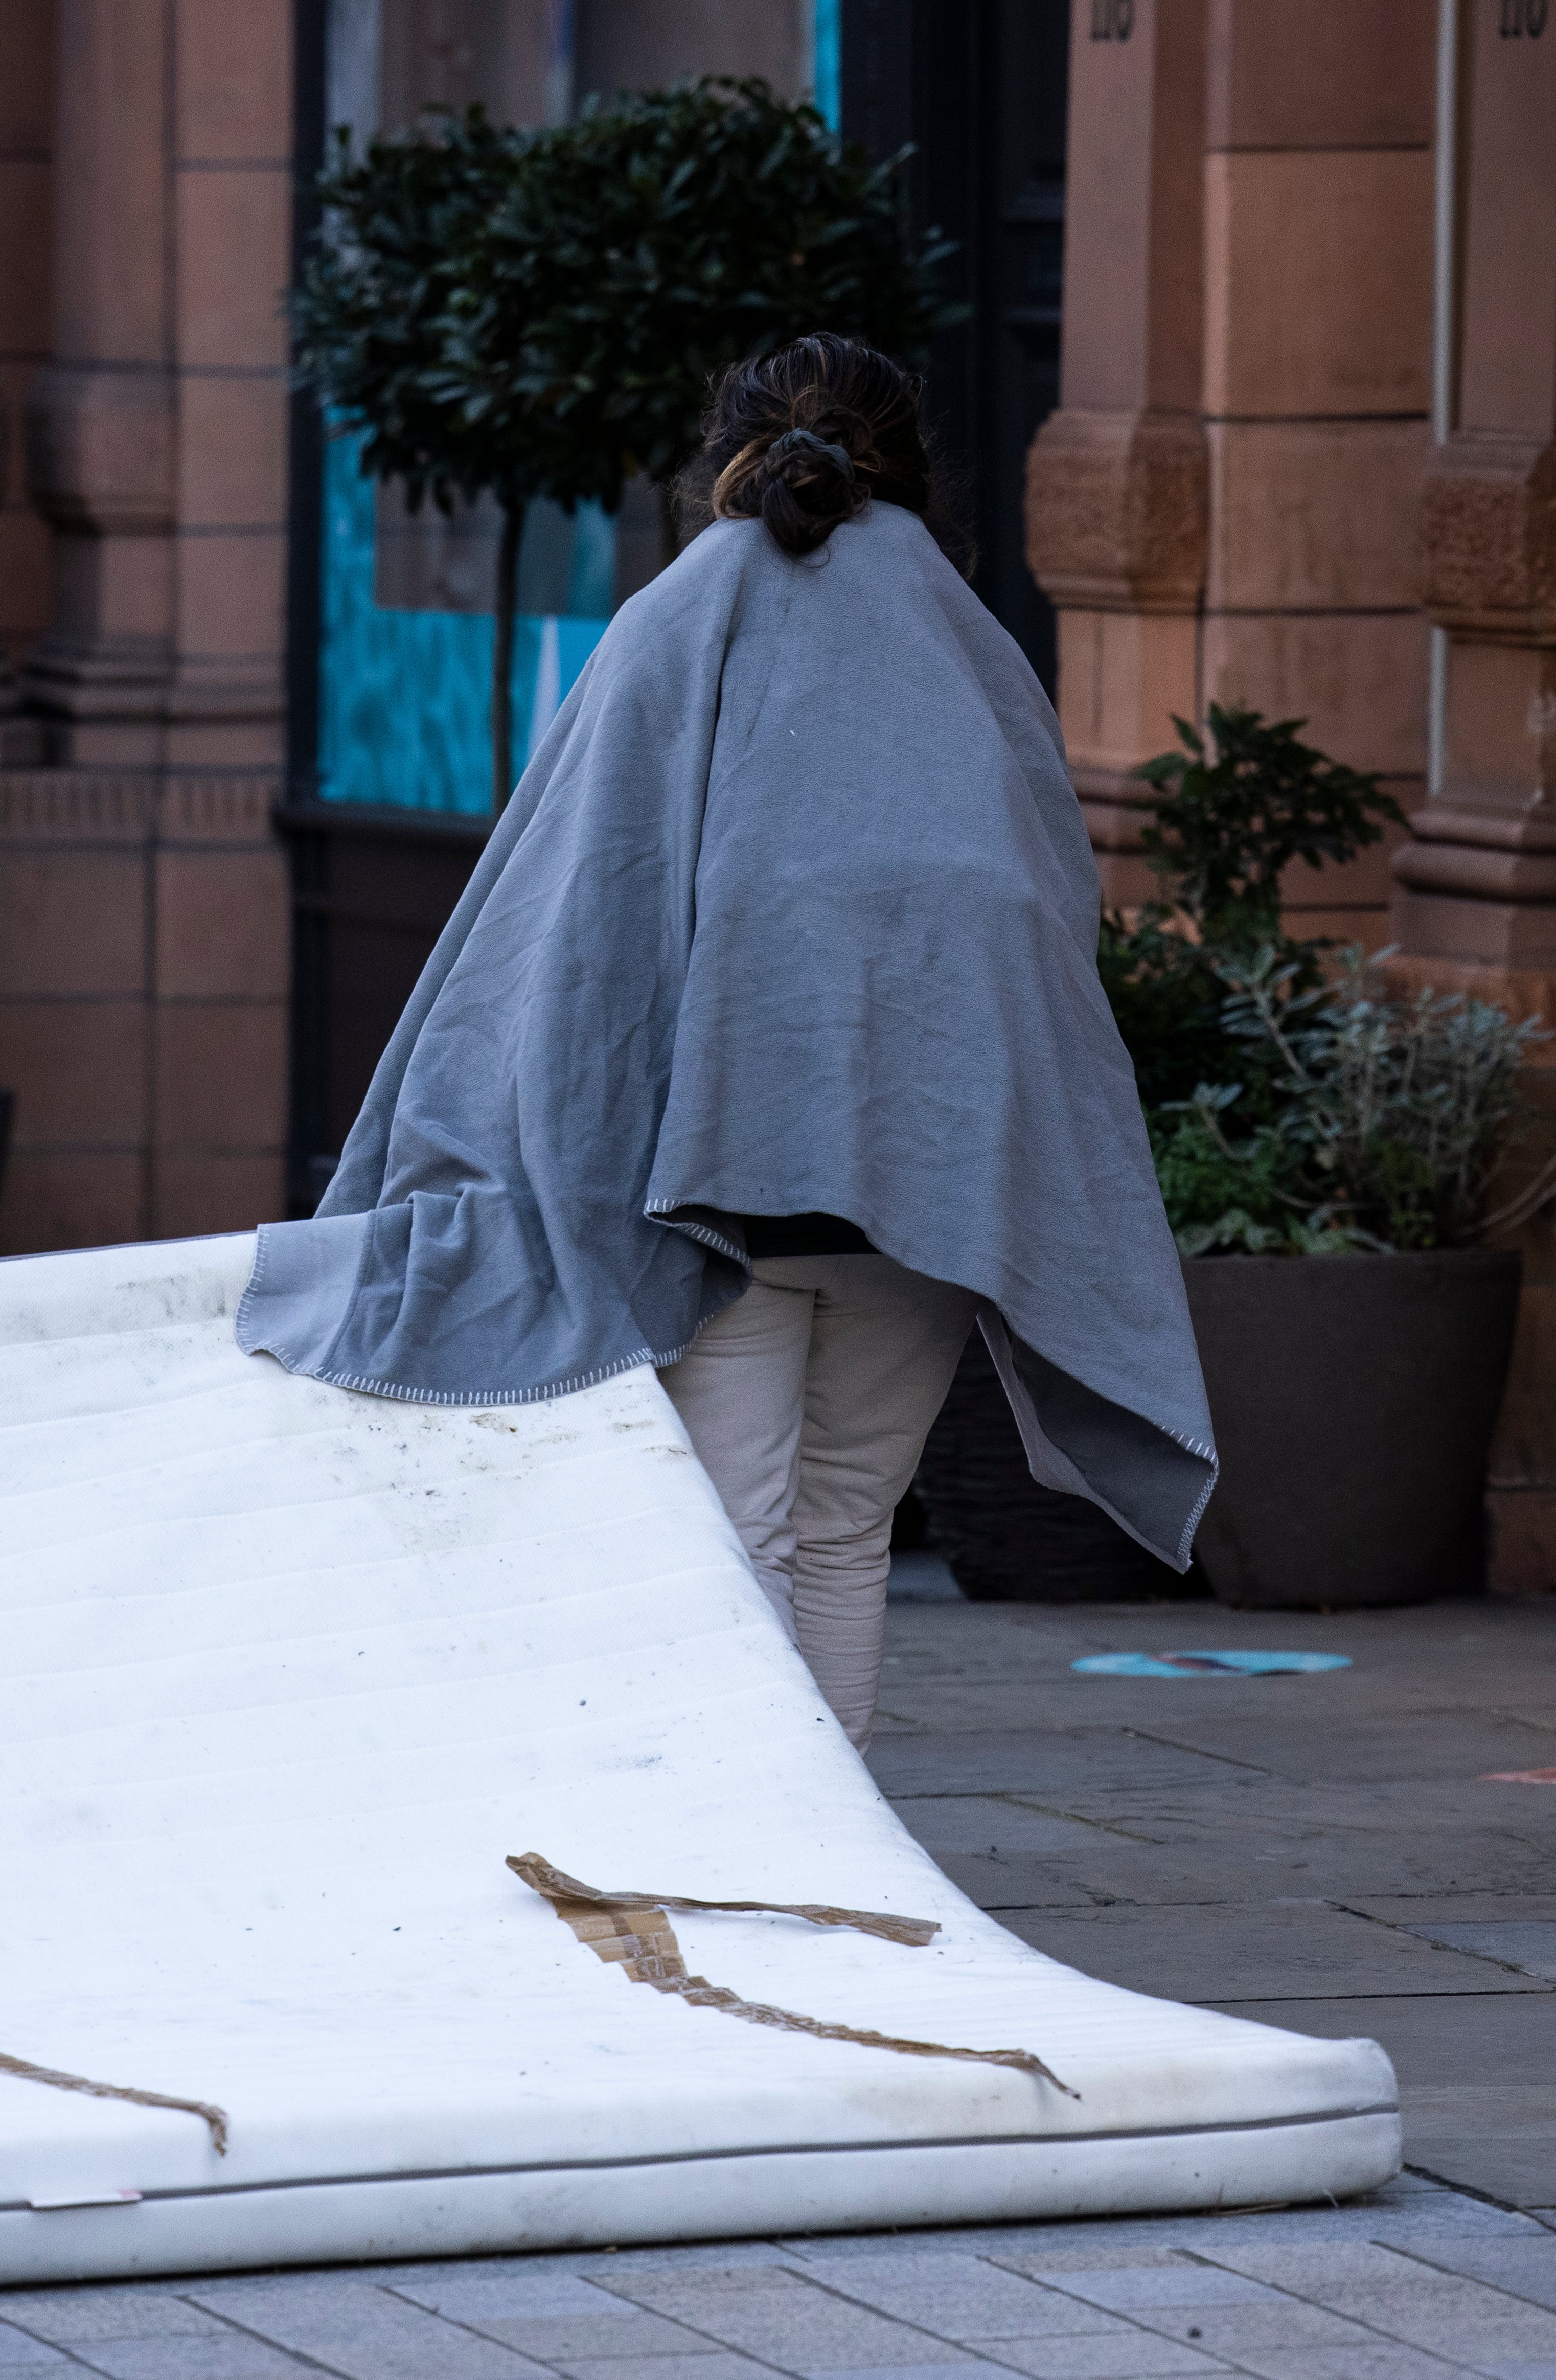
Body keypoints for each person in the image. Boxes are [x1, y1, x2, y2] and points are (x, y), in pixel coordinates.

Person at [241, 332, 1210, 1749]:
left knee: (737, 1527)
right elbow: (1040, 918)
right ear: (910, 468)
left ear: (725, 456)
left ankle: (764, 1871)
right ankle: (836, 1864)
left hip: (728, 1184)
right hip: (936, 1192)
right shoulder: (973, 646)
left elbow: (583, 913)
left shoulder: (674, 620)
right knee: (847, 1530)